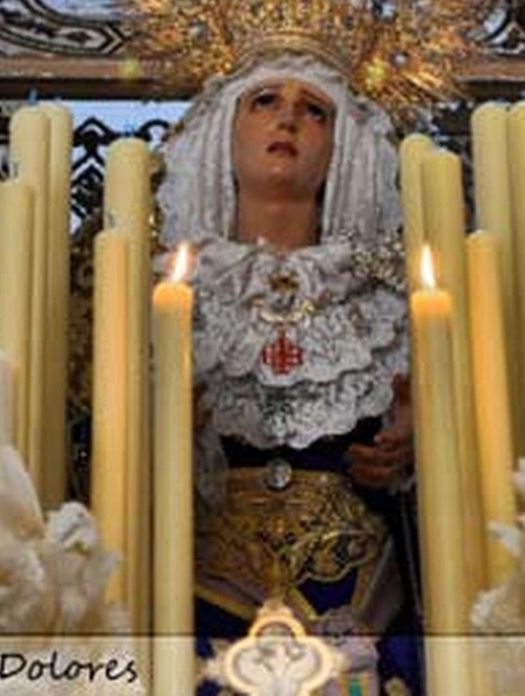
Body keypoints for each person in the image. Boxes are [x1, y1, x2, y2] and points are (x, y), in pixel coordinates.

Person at [154, 52, 422, 692]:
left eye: (315, 110)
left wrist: (417, 456)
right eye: (265, 101)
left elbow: (462, 486)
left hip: (359, 613)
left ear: (343, 146)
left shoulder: (396, 302)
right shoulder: (161, 293)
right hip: (197, 608)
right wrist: (163, 439)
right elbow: (93, 469)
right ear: (227, 129)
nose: (290, 120)